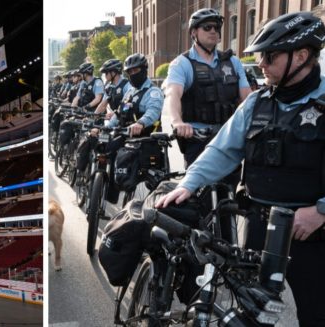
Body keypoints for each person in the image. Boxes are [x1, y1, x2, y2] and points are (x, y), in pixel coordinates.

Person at [156, 12, 325, 327]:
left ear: (301, 56)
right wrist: (188, 183)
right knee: (250, 317)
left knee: (317, 315)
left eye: (269, 56)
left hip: (312, 235)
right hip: (260, 228)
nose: (261, 64)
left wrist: (320, 212)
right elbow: (222, 149)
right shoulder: (256, 103)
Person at [163, 8, 251, 168]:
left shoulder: (233, 62)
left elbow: (247, 96)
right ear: (194, 32)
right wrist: (177, 122)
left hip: (229, 136)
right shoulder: (182, 63)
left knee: (234, 186)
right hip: (197, 139)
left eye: (217, 28)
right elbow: (172, 94)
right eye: (207, 27)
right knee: (196, 191)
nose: (213, 31)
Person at [106, 53, 163, 136]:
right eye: (130, 72)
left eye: (135, 70)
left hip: (146, 138)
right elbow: (121, 113)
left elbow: (153, 111)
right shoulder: (130, 92)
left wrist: (141, 123)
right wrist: (106, 127)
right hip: (126, 136)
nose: (133, 74)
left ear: (144, 70)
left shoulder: (153, 91)